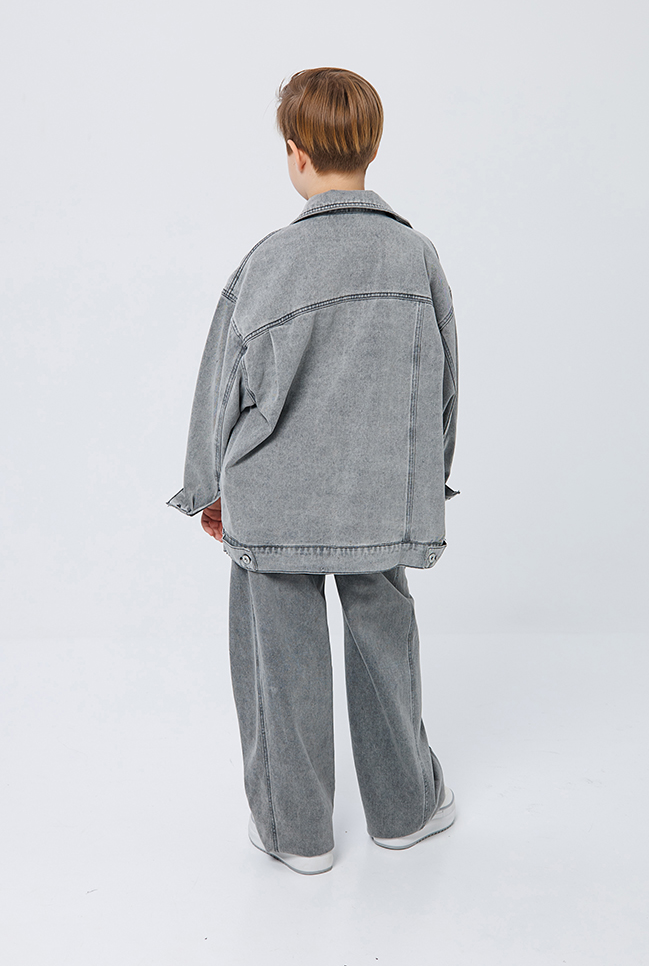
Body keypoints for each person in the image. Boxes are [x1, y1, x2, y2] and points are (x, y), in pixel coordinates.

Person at [167, 67, 459, 875]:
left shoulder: (269, 261)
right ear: (371, 148)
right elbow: (444, 386)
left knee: (279, 664)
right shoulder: (414, 256)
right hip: (378, 494)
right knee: (384, 647)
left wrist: (207, 487)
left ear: (295, 154)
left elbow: (219, 386)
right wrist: (425, 482)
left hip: (273, 502)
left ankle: (295, 834)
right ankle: (405, 811)